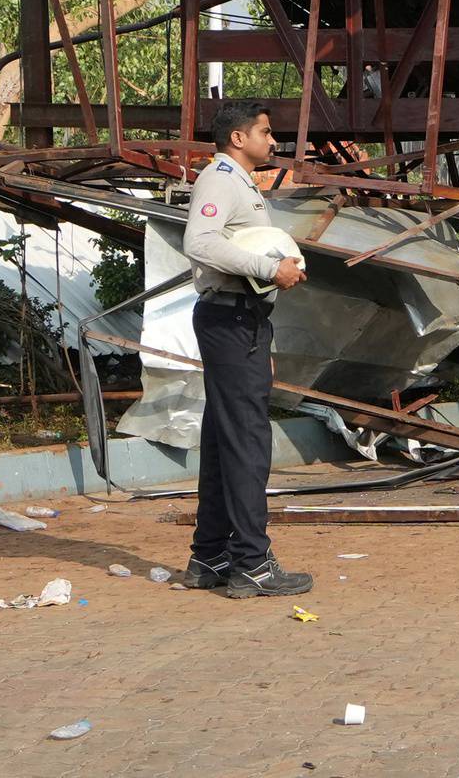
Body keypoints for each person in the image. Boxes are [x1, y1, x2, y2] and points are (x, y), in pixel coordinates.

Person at [180, 101, 311, 599]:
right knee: (248, 441)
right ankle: (252, 564)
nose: (273, 141)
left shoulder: (238, 182)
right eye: (265, 132)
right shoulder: (220, 178)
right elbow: (201, 243)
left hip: (240, 319)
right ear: (238, 138)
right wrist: (268, 268)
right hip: (231, 317)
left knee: (224, 437)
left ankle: (210, 555)